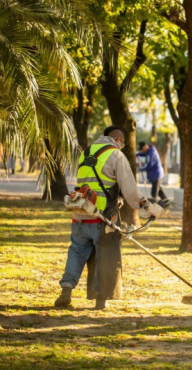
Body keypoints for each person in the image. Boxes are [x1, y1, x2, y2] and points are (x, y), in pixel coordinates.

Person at [54, 126, 163, 310]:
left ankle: (66, 290)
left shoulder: (86, 153)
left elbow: (95, 184)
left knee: (77, 252)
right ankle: (100, 299)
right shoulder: (116, 155)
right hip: (102, 217)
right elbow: (130, 190)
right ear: (119, 140)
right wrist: (147, 206)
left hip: (80, 214)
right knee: (105, 256)